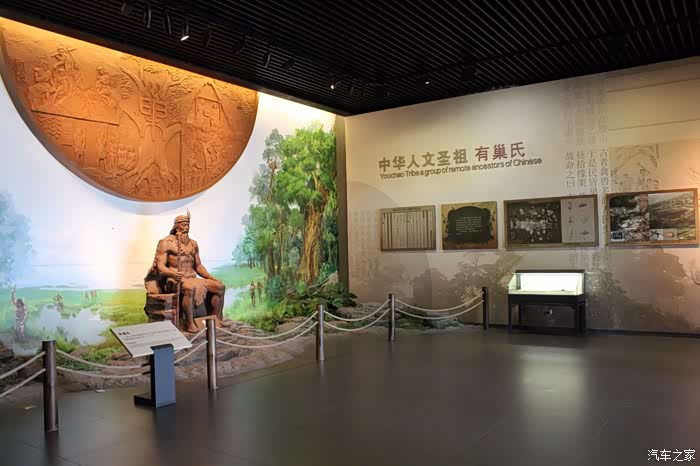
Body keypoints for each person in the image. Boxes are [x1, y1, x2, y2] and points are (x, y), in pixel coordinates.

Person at [148, 212, 225, 333]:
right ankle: (190, 324)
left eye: (188, 224)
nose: (186, 227)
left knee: (219, 287)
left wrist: (211, 277)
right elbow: (160, 266)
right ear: (176, 226)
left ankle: (215, 319)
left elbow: (198, 266)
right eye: (183, 224)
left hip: (192, 277)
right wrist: (173, 274)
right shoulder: (166, 242)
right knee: (190, 288)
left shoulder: (193, 244)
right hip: (174, 279)